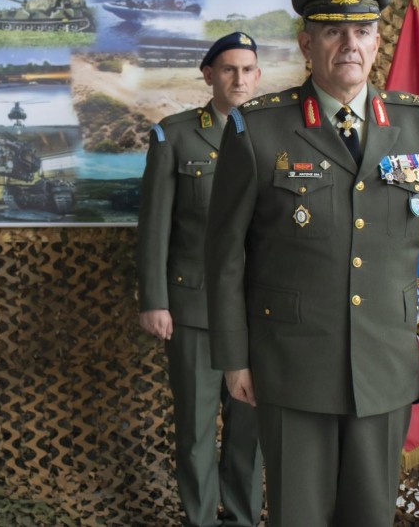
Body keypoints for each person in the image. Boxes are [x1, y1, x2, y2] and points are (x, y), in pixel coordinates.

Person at [204, 0, 419, 527]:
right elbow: (225, 256)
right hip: (292, 367)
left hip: (385, 366)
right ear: (307, 44)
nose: (349, 44)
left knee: (371, 516)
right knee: (298, 516)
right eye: (333, 31)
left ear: (377, 43)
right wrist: (234, 358)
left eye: (362, 31)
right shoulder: (258, 129)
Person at [137, 32, 264, 527]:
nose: (239, 79)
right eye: (229, 69)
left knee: (248, 431)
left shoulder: (276, 132)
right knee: (194, 429)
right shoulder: (176, 136)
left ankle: (242, 519)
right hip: (195, 307)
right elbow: (154, 226)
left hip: (258, 312)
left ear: (258, 75)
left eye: (248, 70)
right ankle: (201, 520)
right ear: (209, 75)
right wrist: (154, 299)